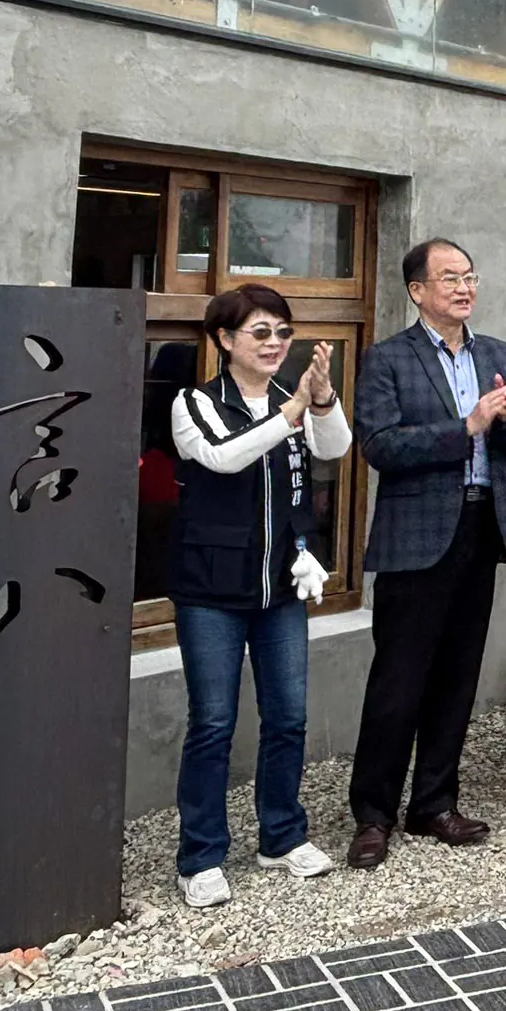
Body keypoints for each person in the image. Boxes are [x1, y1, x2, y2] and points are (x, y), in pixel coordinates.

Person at [347, 239, 506, 869]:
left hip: (482, 528)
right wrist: (467, 426)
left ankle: (434, 802)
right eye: (449, 278)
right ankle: (372, 814)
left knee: (457, 676)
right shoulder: (387, 359)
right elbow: (378, 445)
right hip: (416, 537)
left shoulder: (499, 354)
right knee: (399, 681)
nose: (463, 288)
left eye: (469, 277)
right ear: (417, 291)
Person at [167, 284, 347, 907]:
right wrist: (295, 408)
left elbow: (335, 450)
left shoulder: (285, 400)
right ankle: (201, 856)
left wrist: (321, 401)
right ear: (224, 339)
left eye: (283, 333)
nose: (274, 344)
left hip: (281, 587)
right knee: (214, 722)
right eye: (260, 333)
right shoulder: (194, 401)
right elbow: (223, 458)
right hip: (210, 590)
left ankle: (280, 836)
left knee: (289, 717)